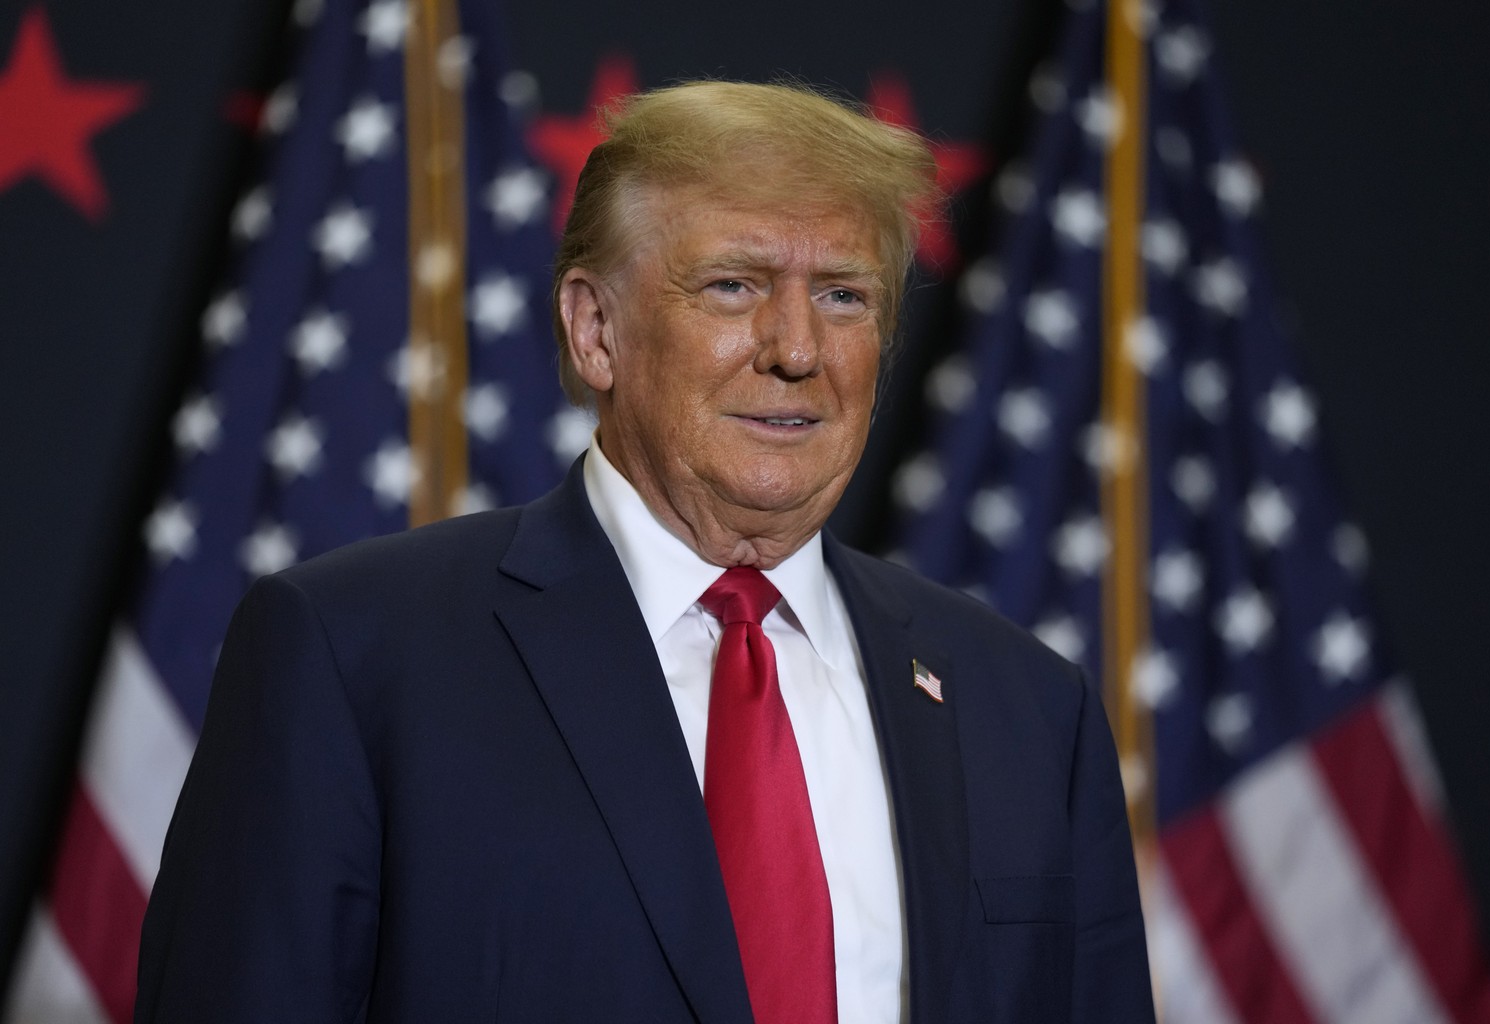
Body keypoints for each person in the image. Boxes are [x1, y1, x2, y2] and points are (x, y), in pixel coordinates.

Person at [135, 81, 1154, 1023]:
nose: (796, 348)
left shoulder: (1026, 706)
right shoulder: (355, 659)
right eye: (731, 285)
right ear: (595, 331)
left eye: (844, 294)